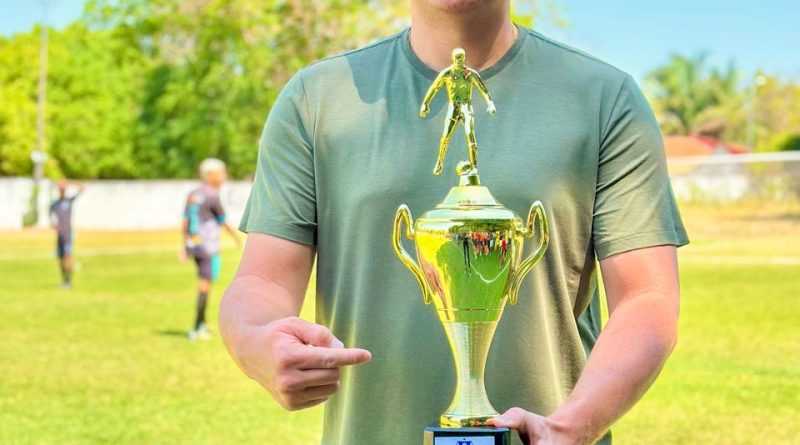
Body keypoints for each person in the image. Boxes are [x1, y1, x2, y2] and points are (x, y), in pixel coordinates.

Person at [220, 1, 689, 444]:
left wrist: (569, 428)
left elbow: (646, 297)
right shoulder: (315, 99)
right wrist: (253, 341)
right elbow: (262, 281)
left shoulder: (603, 97)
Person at [182, 158, 241, 341]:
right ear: (209, 175)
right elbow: (223, 220)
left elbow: (185, 220)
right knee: (205, 284)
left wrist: (184, 245)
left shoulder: (193, 194)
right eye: (221, 173)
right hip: (207, 246)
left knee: (204, 281)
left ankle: (203, 322)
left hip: (193, 244)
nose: (224, 176)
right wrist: (237, 238)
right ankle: (197, 327)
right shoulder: (212, 195)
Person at [50, 179, 84, 289]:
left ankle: (69, 281)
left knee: (67, 256)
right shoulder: (54, 204)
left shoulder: (69, 201)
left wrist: (69, 182)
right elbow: (51, 218)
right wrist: (54, 225)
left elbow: (82, 188)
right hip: (60, 235)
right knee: (60, 258)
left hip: (67, 234)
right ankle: (64, 280)